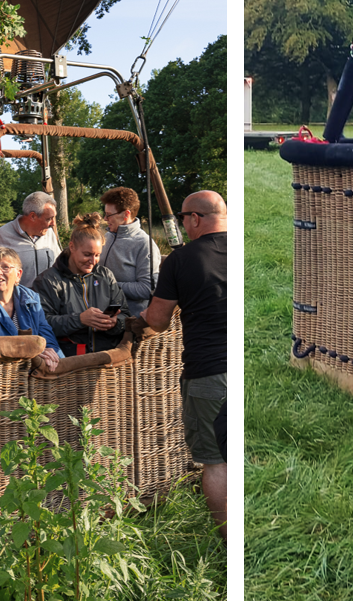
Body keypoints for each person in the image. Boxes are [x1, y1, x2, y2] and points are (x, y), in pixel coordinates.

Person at [136, 190, 227, 541]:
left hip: (208, 372)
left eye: (183, 218)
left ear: (195, 219)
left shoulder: (181, 260)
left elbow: (158, 320)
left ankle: (226, 541)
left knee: (216, 460)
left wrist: (138, 318)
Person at [32, 213, 128, 356]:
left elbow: (125, 314)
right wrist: (80, 319)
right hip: (69, 361)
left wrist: (115, 323)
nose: (93, 260)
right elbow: (41, 324)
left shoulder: (105, 275)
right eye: (87, 254)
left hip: (108, 359)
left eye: (97, 255)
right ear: (72, 247)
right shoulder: (48, 280)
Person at [0, 246, 63, 372]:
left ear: (18, 275)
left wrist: (50, 351)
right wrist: (33, 350)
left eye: (5, 267)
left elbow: (45, 331)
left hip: (30, 371)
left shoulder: (31, 298)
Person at [99, 186, 161, 316]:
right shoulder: (107, 237)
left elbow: (147, 289)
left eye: (109, 215)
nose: (105, 219)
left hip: (129, 321)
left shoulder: (144, 244)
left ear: (126, 214)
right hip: (101, 314)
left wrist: (109, 285)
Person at [0, 191, 61, 288]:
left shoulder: (49, 233)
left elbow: (59, 265)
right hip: (18, 301)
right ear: (32, 216)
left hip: (49, 300)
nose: (53, 223)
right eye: (49, 219)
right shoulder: (1, 236)